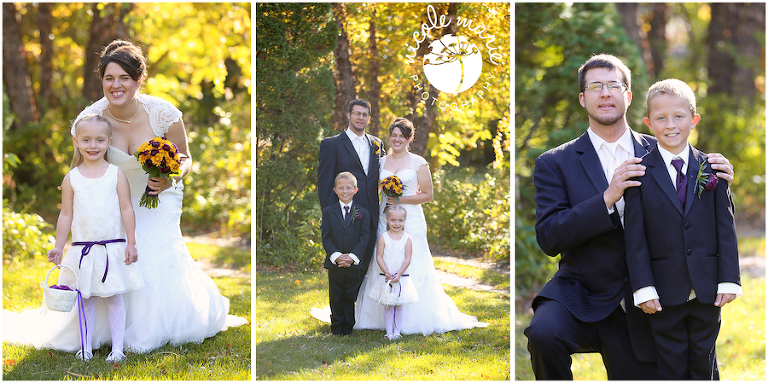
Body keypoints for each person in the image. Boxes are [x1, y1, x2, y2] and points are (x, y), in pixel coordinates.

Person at [524, 54, 735, 379]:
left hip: (655, 294)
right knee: (543, 334)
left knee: (686, 365)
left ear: (628, 95)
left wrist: (721, 182)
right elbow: (550, 237)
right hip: (583, 290)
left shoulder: (666, 146)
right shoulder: (555, 162)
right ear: (582, 98)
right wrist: (606, 198)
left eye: (614, 85)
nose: (605, 93)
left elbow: (702, 217)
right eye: (595, 86)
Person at [624, 79, 740, 379]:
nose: (670, 125)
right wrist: (643, 287)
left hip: (707, 287)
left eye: (678, 116)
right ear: (649, 123)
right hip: (663, 290)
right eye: (661, 118)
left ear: (693, 119)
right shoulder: (639, 173)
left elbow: (725, 227)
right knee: (671, 363)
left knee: (704, 360)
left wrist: (729, 279)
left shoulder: (712, 169)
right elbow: (635, 238)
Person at [354, 117, 488, 335]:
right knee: (385, 256)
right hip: (384, 217)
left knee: (413, 261)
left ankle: (413, 318)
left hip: (411, 219)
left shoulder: (418, 162)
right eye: (393, 135)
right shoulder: (381, 162)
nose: (397, 139)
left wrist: (400, 199)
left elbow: (428, 195)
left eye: (402, 136)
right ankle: (378, 316)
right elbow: (374, 191)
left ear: (409, 139)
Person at [47, 114, 145, 362]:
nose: (93, 145)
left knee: (114, 298)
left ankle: (118, 349)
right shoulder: (71, 178)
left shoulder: (116, 174)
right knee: (86, 299)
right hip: (84, 250)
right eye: (87, 140)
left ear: (109, 141)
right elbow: (65, 214)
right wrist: (59, 246)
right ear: (76, 141)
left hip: (111, 248)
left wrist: (131, 242)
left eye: (100, 140)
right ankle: (86, 347)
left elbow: (127, 209)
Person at [318, 99, 385, 272]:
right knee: (344, 272)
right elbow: (325, 185)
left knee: (367, 266)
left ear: (369, 118)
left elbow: (381, 176)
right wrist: (332, 218)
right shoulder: (331, 145)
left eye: (365, 114)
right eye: (357, 113)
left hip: (371, 216)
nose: (361, 117)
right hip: (344, 217)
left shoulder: (377, 144)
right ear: (349, 115)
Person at [321, 172, 371, 336]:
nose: (345, 191)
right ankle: (336, 327)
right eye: (341, 188)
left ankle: (348, 326)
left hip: (354, 263)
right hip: (335, 263)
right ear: (335, 190)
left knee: (350, 294)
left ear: (355, 190)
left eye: (348, 188)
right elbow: (326, 237)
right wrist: (336, 256)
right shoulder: (328, 212)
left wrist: (352, 257)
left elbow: (364, 237)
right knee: (335, 294)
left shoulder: (363, 213)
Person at [366, 205, 419, 340]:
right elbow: (379, 257)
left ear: (405, 221)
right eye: (393, 220)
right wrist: (386, 272)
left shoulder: (407, 238)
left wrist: (399, 274)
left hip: (401, 277)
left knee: (400, 305)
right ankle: (389, 332)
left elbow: (408, 258)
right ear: (387, 220)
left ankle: (397, 332)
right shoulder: (383, 237)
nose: (396, 223)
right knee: (387, 305)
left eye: (400, 220)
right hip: (387, 277)